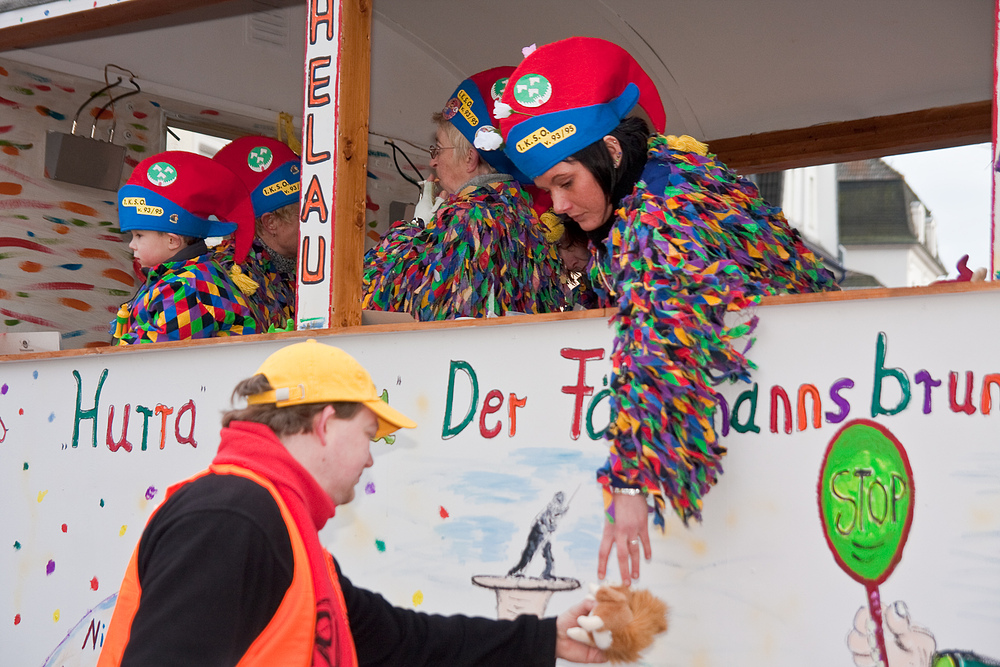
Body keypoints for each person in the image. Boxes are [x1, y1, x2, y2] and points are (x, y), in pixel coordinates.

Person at [498, 37, 838, 583]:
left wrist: (631, 482)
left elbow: (662, 335)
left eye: (565, 182)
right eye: (546, 190)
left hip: (803, 417)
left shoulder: (664, 205)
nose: (557, 205)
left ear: (609, 153)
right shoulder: (643, 188)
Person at [97, 339, 605, 666]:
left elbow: (399, 640)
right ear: (324, 425)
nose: (369, 459)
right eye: (368, 434)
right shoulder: (232, 518)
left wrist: (543, 639)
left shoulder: (282, 529)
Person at [363, 66, 565, 320]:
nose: (434, 162)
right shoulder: (528, 221)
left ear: (470, 157)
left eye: (437, 149)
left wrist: (413, 228)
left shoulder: (466, 217)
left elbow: (376, 298)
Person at [110, 151, 258, 344]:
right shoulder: (180, 278)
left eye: (139, 235)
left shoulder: (186, 288)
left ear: (173, 241)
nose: (132, 244)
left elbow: (154, 355)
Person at [212, 135, 300, 331]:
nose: (317, 223)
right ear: (272, 223)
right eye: (305, 216)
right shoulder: (224, 274)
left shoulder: (303, 269)